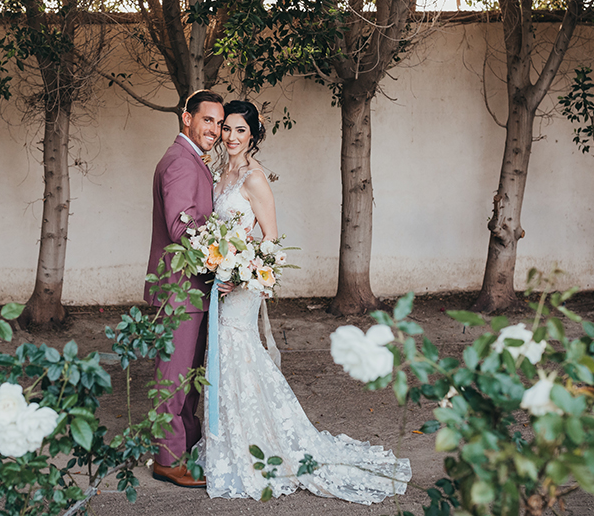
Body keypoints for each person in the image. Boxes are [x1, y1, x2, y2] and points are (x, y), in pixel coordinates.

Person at [198, 99, 412, 503]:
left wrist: (240, 275)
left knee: (236, 351)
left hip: (241, 288)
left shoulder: (254, 178)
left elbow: (271, 241)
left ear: (253, 135)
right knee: (223, 356)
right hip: (221, 280)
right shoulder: (219, 171)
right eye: (226, 128)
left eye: (240, 130)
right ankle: (228, 443)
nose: (230, 136)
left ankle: (258, 448)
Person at [145, 90, 224, 488]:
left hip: (192, 290)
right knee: (172, 378)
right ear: (186, 118)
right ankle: (167, 459)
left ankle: (186, 448)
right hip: (178, 289)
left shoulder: (193, 160)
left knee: (189, 377)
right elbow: (182, 227)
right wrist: (223, 254)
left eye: (218, 122)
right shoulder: (179, 161)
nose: (213, 128)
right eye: (207, 119)